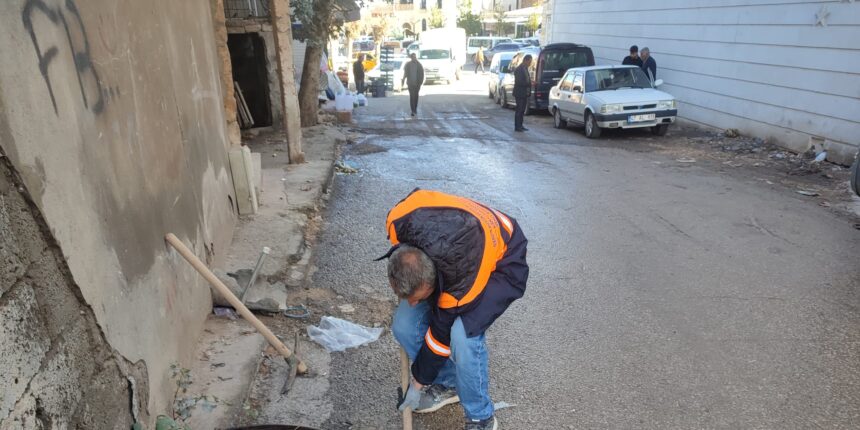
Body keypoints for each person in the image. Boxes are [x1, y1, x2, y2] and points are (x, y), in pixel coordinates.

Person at [382, 189, 529, 430]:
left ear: (433, 283)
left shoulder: (461, 283)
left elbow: (440, 337)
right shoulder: (397, 222)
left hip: (503, 259)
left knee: (463, 335)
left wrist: (417, 383)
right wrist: (408, 288)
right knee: (404, 325)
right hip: (453, 244)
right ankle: (450, 384)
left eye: (417, 297)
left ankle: (481, 416)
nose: (412, 303)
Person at [513, 54, 533, 132]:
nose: (530, 63)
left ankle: (520, 125)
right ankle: (517, 126)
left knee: (522, 110)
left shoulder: (525, 68)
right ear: (525, 60)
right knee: (519, 110)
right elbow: (519, 82)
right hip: (519, 93)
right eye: (529, 61)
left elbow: (526, 79)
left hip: (524, 93)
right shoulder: (519, 69)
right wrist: (528, 84)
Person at [402, 53, 425, 117]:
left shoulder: (419, 65)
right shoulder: (408, 65)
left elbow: (422, 74)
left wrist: (420, 82)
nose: (414, 58)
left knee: (416, 97)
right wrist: (403, 80)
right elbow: (405, 73)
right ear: (411, 58)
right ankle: (413, 110)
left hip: (417, 84)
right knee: (412, 97)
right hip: (410, 84)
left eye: (415, 57)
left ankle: (415, 108)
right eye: (412, 57)